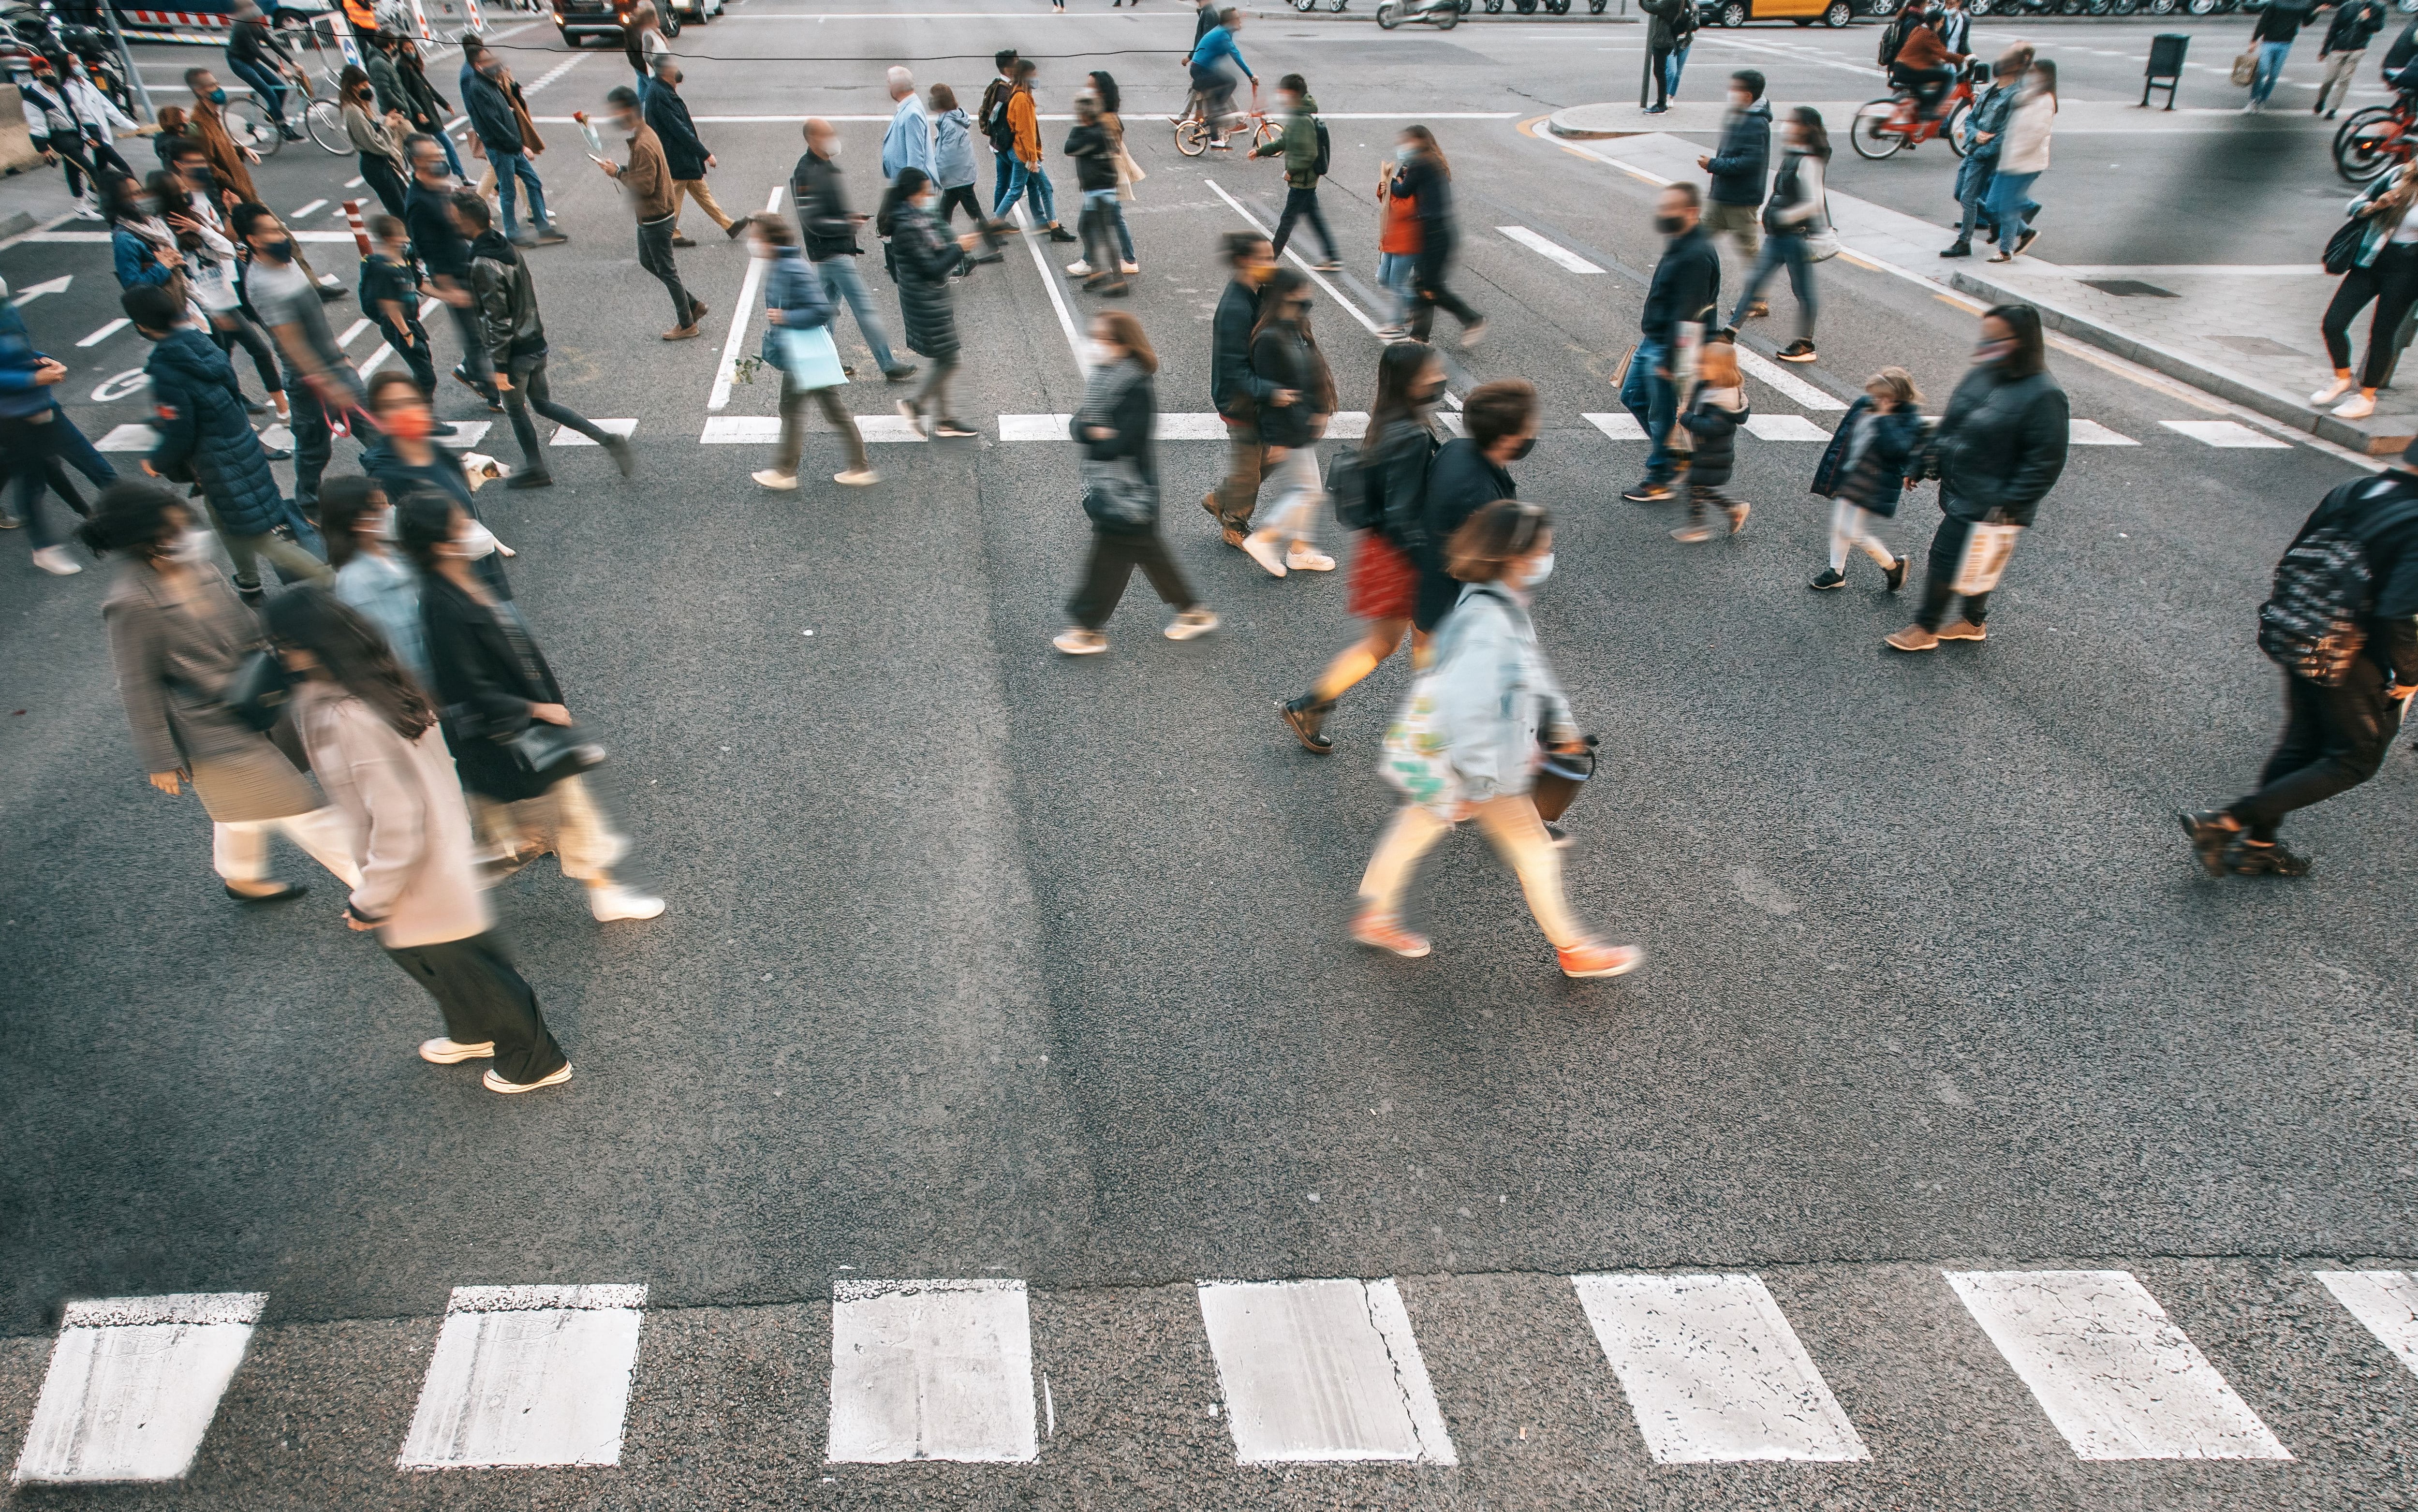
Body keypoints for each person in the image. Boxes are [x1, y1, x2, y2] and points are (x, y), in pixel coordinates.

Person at [265, 586, 574, 1094]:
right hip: (439, 853)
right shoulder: (379, 682)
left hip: (417, 868)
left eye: (281, 643)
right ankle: (475, 1031)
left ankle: (536, 1060)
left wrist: (371, 898)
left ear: (307, 645)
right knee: (440, 956)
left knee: (469, 968)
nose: (277, 653)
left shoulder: (348, 715)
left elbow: (396, 818)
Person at [1353, 499, 1640, 980]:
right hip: (1476, 765)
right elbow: (1468, 707)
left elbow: (1531, 673)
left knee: (1416, 824)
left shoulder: (1496, 602)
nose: (1546, 559)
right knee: (1532, 851)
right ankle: (1572, 948)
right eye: (1541, 550)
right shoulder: (1488, 623)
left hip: (1452, 760)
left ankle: (1373, 913)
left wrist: (1563, 726)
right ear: (1514, 558)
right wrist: (1480, 782)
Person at [82, 482, 361, 902]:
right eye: (172, 531)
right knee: (301, 806)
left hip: (252, 697)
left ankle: (240, 874)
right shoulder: (131, 602)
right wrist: (160, 757)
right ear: (146, 541)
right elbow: (137, 683)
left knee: (246, 803)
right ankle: (381, 890)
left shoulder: (199, 569)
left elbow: (248, 624)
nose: (186, 536)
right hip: (206, 726)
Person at [401, 492, 665, 923]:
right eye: (458, 526)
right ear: (440, 544)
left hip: (507, 736)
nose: (471, 529)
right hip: (506, 738)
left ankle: (448, 887)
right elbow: (469, 687)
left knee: (522, 830)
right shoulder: (441, 604)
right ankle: (602, 894)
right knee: (552, 821)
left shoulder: (456, 582)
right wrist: (541, 711)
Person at [2178, 456, 2418, 878]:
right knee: (2356, 759)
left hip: (2296, 628)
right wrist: (2409, 675)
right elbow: (2397, 612)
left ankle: (2259, 845)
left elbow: (2297, 552)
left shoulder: (2356, 490)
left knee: (2302, 742)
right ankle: (2224, 823)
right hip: (2350, 651)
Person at [1280, 341, 1447, 753]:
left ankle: (1311, 705)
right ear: (1412, 382)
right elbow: (1402, 508)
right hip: (1403, 557)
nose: (1440, 378)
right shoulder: (1410, 433)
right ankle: (1419, 742)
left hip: (1381, 552)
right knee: (1428, 651)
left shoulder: (1388, 420)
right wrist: (1432, 561)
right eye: (1431, 373)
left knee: (1384, 644)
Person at [122, 283, 327, 601]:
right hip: (240, 445)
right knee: (227, 521)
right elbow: (232, 392)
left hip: (217, 461)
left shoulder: (167, 370)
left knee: (259, 535)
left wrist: (156, 462)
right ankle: (248, 581)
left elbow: (180, 431)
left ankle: (329, 579)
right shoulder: (201, 345)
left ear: (142, 326)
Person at [1887, 304, 2067, 653]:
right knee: (1979, 559)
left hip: (1996, 498)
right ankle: (1972, 621)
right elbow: (1952, 424)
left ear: (2021, 341)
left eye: (1997, 337)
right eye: (1987, 335)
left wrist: (2010, 505)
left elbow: (2045, 461)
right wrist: (1922, 463)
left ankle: (1926, 627)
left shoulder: (2045, 395)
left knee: (1946, 555)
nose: (1988, 343)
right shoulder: (1983, 374)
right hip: (1966, 484)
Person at [1055, 311, 1219, 654]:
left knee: (1110, 558)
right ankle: (1193, 612)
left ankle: (1087, 629)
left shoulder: (1137, 387)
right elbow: (1078, 424)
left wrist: (1093, 435)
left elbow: (1123, 443)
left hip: (1130, 490)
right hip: (1119, 487)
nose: (1095, 345)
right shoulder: (1104, 377)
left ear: (1124, 344)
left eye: (1102, 339)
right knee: (1147, 551)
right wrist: (1092, 431)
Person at [458, 193, 634, 487]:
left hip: (515, 353)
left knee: (516, 410)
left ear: (465, 221)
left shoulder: (483, 264)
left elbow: (498, 319)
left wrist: (499, 367)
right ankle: (608, 440)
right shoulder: (506, 247)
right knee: (542, 404)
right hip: (535, 343)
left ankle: (537, 470)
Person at [234, 203, 361, 516]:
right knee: (314, 449)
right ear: (253, 240)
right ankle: (308, 504)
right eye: (272, 232)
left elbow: (315, 319)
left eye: (280, 228)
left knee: (377, 435)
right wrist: (329, 382)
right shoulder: (262, 283)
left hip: (333, 369)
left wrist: (341, 355)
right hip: (310, 381)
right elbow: (291, 343)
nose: (281, 235)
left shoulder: (287, 264)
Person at [748, 214, 876, 490]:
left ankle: (786, 473)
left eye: (756, 236)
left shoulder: (790, 268)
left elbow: (823, 310)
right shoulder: (783, 264)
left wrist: (786, 318)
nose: (752, 242)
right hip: (802, 352)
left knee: (795, 412)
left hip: (803, 354)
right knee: (826, 410)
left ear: (769, 240)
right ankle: (858, 467)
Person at [159, 157, 286, 423]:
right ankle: (238, 413)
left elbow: (227, 248)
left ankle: (282, 408)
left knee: (257, 351)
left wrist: (201, 230)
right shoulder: (165, 231)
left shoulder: (195, 217)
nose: (187, 191)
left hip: (225, 298)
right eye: (181, 189)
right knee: (223, 363)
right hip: (204, 307)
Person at [794, 118, 917, 381]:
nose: (834, 138)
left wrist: (847, 217)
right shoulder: (806, 173)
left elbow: (826, 211)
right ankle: (888, 363)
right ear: (812, 140)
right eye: (827, 134)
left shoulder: (825, 166)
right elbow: (812, 221)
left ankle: (822, 364)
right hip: (832, 253)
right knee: (864, 309)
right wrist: (846, 223)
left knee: (826, 314)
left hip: (834, 252)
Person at [1415, 379, 1536, 638]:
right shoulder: (1481, 500)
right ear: (1507, 440)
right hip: (1455, 613)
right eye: (1529, 427)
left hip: (1430, 591)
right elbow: (1478, 571)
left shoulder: (1456, 449)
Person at [1621, 184, 1719, 504]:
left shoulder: (1697, 254)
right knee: (1633, 395)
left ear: (1691, 212)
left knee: (1662, 415)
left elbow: (1690, 314)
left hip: (1668, 347)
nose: (1662, 215)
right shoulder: (1682, 242)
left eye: (1669, 210)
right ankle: (1678, 455)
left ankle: (1660, 476)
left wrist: (1673, 361)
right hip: (1654, 340)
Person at [1240, 268, 1337, 577]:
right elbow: (1271, 394)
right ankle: (1266, 539)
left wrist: (1320, 410)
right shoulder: (1269, 339)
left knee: (1309, 492)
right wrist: (1279, 439)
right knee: (1306, 493)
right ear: (1284, 295)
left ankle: (1299, 550)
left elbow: (1309, 374)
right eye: (1300, 292)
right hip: (1289, 429)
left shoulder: (1293, 327)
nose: (1306, 298)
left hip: (1300, 425)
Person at [597, 87, 706, 341]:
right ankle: (693, 305)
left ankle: (688, 323)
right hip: (652, 215)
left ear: (627, 111)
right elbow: (647, 174)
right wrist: (621, 168)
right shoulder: (644, 134)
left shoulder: (643, 143)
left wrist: (618, 174)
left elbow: (645, 186)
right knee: (649, 262)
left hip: (655, 216)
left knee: (667, 271)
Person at [2312, 161, 2418, 420]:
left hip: (2407, 271)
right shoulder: (2399, 174)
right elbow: (2355, 204)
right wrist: (2375, 206)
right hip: (2369, 262)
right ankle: (2342, 377)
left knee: (2382, 334)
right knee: (2333, 324)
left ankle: (2366, 397)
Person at [884, 169, 983, 439]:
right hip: (924, 302)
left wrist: (957, 244)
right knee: (950, 360)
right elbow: (932, 269)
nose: (929, 197)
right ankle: (915, 405)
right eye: (925, 193)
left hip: (930, 299)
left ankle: (946, 420)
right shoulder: (906, 228)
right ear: (912, 195)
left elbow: (936, 251)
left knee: (943, 358)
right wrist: (959, 249)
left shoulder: (916, 218)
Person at [1727, 106, 1828, 364]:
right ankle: (1729, 332)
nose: (1786, 125)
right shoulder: (1794, 156)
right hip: (1778, 236)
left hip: (1796, 237)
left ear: (1806, 128)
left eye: (1792, 122)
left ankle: (1805, 345)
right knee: (1756, 282)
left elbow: (1814, 203)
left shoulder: (1809, 161)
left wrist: (1783, 217)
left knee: (1803, 292)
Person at [1807, 367, 1921, 591]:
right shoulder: (1865, 404)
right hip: (1851, 474)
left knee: (1850, 531)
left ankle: (1892, 565)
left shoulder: (1904, 418)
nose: (1874, 400)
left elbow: (1901, 449)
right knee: (1840, 525)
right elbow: (1845, 436)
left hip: (1875, 481)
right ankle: (1836, 572)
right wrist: (1834, 468)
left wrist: (1884, 420)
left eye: (1881, 397)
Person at [0, 284, 84, 575]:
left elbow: (16, 347)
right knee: (36, 468)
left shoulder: (5, 309)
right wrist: (34, 379)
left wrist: (38, 360)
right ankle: (48, 545)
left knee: (31, 467)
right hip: (10, 410)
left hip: (19, 408)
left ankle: (48, 545)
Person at [1206, 232, 1281, 547]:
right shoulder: (1236, 308)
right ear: (1243, 262)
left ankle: (1220, 498)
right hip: (1241, 402)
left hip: (1251, 399)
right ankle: (1234, 526)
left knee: (1268, 458)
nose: (1271, 265)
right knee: (1251, 467)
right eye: (1263, 259)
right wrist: (1271, 392)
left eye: (1272, 257)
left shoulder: (1256, 291)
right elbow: (1235, 368)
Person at [323, 475, 432, 686]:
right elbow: (395, 646)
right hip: (426, 677)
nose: (388, 511)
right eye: (377, 507)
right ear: (357, 522)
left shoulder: (387, 548)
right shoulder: (356, 581)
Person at [1392, 127, 1483, 348]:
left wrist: (1392, 181)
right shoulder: (1431, 161)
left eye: (1408, 142)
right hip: (1435, 231)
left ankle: (1472, 319)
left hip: (1435, 233)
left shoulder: (1422, 164)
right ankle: (1419, 337)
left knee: (1431, 287)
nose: (1404, 147)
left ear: (1420, 143)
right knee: (1423, 285)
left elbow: (1403, 191)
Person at [465, 47, 565, 248]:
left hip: (510, 146)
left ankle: (542, 227)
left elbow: (507, 107)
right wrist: (520, 146)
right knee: (509, 191)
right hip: (502, 148)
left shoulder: (490, 82)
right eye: (488, 60)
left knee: (533, 182)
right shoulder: (477, 88)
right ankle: (513, 234)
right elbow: (493, 124)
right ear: (478, 65)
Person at [1942, 52, 2025, 259]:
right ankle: (2005, 225)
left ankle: (1965, 241)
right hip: (1975, 149)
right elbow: (1970, 118)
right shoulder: (1990, 92)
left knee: (1970, 198)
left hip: (1987, 155)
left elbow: (2008, 132)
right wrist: (1976, 136)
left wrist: (1984, 148)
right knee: (1961, 194)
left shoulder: (2015, 96)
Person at [645, 59, 737, 246]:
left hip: (681, 155)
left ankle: (729, 225)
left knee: (702, 192)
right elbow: (678, 128)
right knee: (674, 199)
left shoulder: (661, 90)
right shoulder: (660, 94)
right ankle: (670, 234)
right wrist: (705, 154)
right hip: (676, 155)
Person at [1698, 71, 1769, 311]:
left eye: (1736, 89)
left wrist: (1714, 165)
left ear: (1748, 96)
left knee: (1749, 251)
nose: (1730, 93)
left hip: (1740, 199)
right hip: (1723, 196)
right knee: (1696, 240)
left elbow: (1750, 162)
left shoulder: (1756, 123)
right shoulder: (1743, 116)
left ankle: (1758, 300)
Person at [1253, 73, 1340, 270]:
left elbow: (1309, 153)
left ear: (1292, 94)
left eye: (1283, 92)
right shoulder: (1300, 114)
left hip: (1302, 180)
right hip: (1308, 181)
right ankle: (1332, 257)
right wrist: (1260, 151)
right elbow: (1285, 141)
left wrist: (1291, 171)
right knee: (1314, 216)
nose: (1281, 96)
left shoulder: (1301, 119)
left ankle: (1269, 261)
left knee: (1286, 222)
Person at [1670, 338, 1750, 543]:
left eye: (1704, 364)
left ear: (1720, 369)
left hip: (1710, 455)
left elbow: (1712, 428)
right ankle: (1731, 510)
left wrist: (1686, 418)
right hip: (1707, 452)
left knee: (1696, 487)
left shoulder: (1721, 402)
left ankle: (1700, 526)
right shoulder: (1711, 387)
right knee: (1697, 488)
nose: (1699, 367)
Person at [361, 213, 437, 399]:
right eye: (401, 235)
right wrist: (407, 334)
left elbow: (419, 284)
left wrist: (451, 296)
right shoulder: (382, 269)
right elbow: (389, 305)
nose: (406, 239)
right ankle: (420, 416)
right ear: (388, 239)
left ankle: (417, 410)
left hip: (411, 324)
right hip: (398, 327)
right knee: (427, 377)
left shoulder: (403, 260)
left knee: (424, 369)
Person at [1985, 60, 2054, 263]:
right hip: (2009, 159)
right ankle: (2026, 232)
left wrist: (2016, 154)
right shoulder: (2026, 95)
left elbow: (2037, 134)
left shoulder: (2045, 100)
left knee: (2007, 206)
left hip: (2025, 163)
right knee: (1992, 204)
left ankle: (2005, 251)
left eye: (2035, 73)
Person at [1000, 59, 1076, 241]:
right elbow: (1026, 132)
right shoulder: (1022, 99)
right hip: (1024, 155)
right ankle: (994, 225)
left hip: (1022, 153)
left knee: (1041, 188)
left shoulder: (1020, 95)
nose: (1037, 78)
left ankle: (1054, 227)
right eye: (1034, 75)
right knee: (1019, 191)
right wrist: (1033, 159)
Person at [1064, 94, 1128, 295]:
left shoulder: (1093, 132)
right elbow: (1070, 149)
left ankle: (1117, 282)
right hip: (1096, 190)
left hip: (1101, 191)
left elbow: (1070, 148)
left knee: (1099, 233)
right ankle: (1100, 273)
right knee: (1091, 230)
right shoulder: (1093, 131)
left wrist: (1083, 140)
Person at [224, 0, 306, 142]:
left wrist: (293, 63)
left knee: (281, 89)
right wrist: (280, 69)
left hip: (250, 60)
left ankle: (272, 115)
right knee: (270, 93)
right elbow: (257, 52)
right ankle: (285, 131)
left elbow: (272, 44)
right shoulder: (242, 27)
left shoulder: (256, 25)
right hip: (239, 62)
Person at [183, 68, 263, 210]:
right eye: (212, 85)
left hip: (244, 189)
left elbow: (222, 148)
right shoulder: (199, 124)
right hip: (236, 195)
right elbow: (207, 164)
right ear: (200, 91)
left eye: (217, 83)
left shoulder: (213, 115)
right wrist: (232, 184)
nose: (218, 88)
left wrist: (242, 150)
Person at [340, 65, 411, 219]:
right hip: (375, 164)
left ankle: (413, 238)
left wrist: (387, 122)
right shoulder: (353, 112)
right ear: (353, 87)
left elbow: (374, 132)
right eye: (364, 86)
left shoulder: (361, 107)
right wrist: (388, 126)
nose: (367, 89)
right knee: (400, 211)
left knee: (406, 202)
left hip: (381, 162)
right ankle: (412, 240)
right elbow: (376, 144)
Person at [1089, 71, 1142, 274]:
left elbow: (1111, 150)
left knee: (1101, 218)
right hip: (1107, 175)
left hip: (1108, 176)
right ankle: (1125, 259)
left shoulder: (1108, 118)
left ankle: (1125, 260)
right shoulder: (1102, 112)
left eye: (1091, 86)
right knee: (1108, 217)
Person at [1187, 7, 1255, 146]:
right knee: (1229, 84)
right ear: (1230, 22)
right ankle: (1215, 136)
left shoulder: (1224, 32)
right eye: (1237, 19)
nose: (1240, 21)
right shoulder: (1223, 34)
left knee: (1228, 84)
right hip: (1200, 70)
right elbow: (1236, 56)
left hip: (1202, 69)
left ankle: (1213, 123)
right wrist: (1251, 76)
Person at [1375, 160, 1420, 338]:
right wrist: (1382, 190)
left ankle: (1397, 324)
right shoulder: (1398, 184)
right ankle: (1414, 304)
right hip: (1390, 239)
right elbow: (1386, 203)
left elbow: (1404, 209)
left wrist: (1391, 187)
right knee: (1383, 278)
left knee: (1396, 283)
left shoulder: (1415, 192)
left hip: (1407, 244)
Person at [2318, 0, 2385, 117]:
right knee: (2330, 79)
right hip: (2339, 48)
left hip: (2358, 49)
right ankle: (2321, 100)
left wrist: (2366, 20)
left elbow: (2378, 27)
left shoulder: (2378, 7)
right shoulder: (2348, 6)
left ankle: (2333, 109)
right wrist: (2325, 49)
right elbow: (2334, 28)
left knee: (2345, 79)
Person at [1887, 8, 1956, 120]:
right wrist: (1963, 59)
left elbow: (1920, 51)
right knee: (1948, 76)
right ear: (1936, 22)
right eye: (1941, 23)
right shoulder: (1928, 34)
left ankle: (1920, 110)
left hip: (1900, 68)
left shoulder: (1918, 30)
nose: (1942, 26)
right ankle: (1929, 109)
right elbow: (1945, 54)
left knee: (1922, 88)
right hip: (1909, 70)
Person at [2248, 0, 2315, 111]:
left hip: (2285, 43)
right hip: (2269, 42)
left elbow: (2306, 22)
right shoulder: (2276, 3)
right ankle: (2254, 99)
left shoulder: (2303, 4)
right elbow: (2264, 21)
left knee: (2273, 76)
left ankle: (2262, 100)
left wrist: (2317, 12)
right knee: (2262, 71)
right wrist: (2254, 40)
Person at [978, 50, 1022, 217]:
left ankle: (998, 219)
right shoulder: (1006, 92)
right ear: (1008, 68)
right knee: (1028, 183)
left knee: (1002, 183)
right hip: (1005, 145)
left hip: (997, 144)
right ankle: (998, 222)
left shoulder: (997, 85)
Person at [1639, 0, 1694, 113]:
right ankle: (1662, 103)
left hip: (1663, 40)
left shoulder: (1670, 1)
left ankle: (1661, 105)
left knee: (1660, 72)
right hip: (1671, 39)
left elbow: (1651, 7)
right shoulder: (1683, 2)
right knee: (1661, 72)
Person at [882, 65, 933, 182]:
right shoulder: (909, 106)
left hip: (907, 185)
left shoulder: (912, 114)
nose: (888, 87)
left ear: (897, 86)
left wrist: (910, 189)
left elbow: (916, 158)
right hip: (902, 181)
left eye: (890, 83)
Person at [624, 0, 670, 101]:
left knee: (643, 91)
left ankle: (641, 112)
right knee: (657, 95)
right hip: (646, 67)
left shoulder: (650, 30)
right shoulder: (639, 29)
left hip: (642, 66)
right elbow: (642, 52)